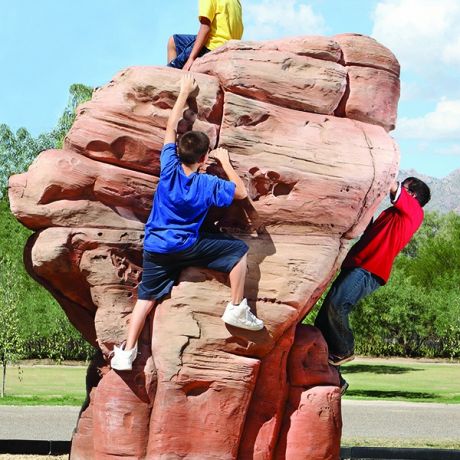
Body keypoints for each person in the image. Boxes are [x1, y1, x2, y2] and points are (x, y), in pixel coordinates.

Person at [111, 74, 263, 371]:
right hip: (187, 246)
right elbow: (242, 193)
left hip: (156, 247)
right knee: (238, 253)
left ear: (179, 152)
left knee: (146, 297)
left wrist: (183, 93)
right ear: (205, 157)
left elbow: (170, 127)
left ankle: (126, 353)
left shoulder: (168, 168)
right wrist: (227, 163)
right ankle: (236, 308)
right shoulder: (207, 184)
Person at [314, 177, 431, 392]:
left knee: (337, 305)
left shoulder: (414, 212)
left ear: (412, 196)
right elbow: (370, 233)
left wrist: (383, 174)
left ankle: (344, 348)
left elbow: (392, 185)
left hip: (370, 268)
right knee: (324, 320)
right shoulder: (392, 215)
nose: (398, 192)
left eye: (404, 188)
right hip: (357, 264)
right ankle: (336, 380)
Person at [167, 0, 243, 71]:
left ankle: (172, 73)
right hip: (228, 45)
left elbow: (205, 28)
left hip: (212, 47)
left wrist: (191, 58)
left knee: (171, 70)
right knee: (174, 40)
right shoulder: (236, 2)